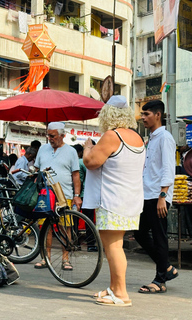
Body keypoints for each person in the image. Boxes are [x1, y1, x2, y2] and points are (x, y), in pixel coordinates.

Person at [83, 95, 145, 307]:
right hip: (130, 200)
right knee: (115, 245)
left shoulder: (112, 136)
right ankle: (113, 288)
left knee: (113, 247)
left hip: (112, 200)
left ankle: (120, 293)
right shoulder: (137, 137)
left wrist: (87, 148)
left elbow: (91, 162)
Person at [133, 99, 178, 294]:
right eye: (142, 114)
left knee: (160, 237)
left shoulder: (165, 137)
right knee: (139, 233)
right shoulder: (152, 138)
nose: (143, 118)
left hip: (158, 195)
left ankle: (160, 280)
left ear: (157, 115)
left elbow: (169, 168)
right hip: (147, 194)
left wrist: (163, 195)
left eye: (147, 114)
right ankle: (166, 267)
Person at [33, 122, 81, 270]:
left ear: (62, 136)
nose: (50, 138)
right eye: (48, 135)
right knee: (44, 227)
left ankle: (65, 259)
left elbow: (76, 175)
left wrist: (76, 195)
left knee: (65, 226)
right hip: (45, 194)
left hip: (64, 194)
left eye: (52, 135)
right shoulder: (43, 148)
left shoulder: (71, 151)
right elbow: (36, 170)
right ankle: (45, 257)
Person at [73, 143, 97, 252]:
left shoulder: (80, 162)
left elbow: (79, 180)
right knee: (89, 220)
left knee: (75, 220)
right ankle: (91, 244)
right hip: (90, 195)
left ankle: (75, 243)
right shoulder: (96, 161)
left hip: (80, 195)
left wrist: (76, 195)